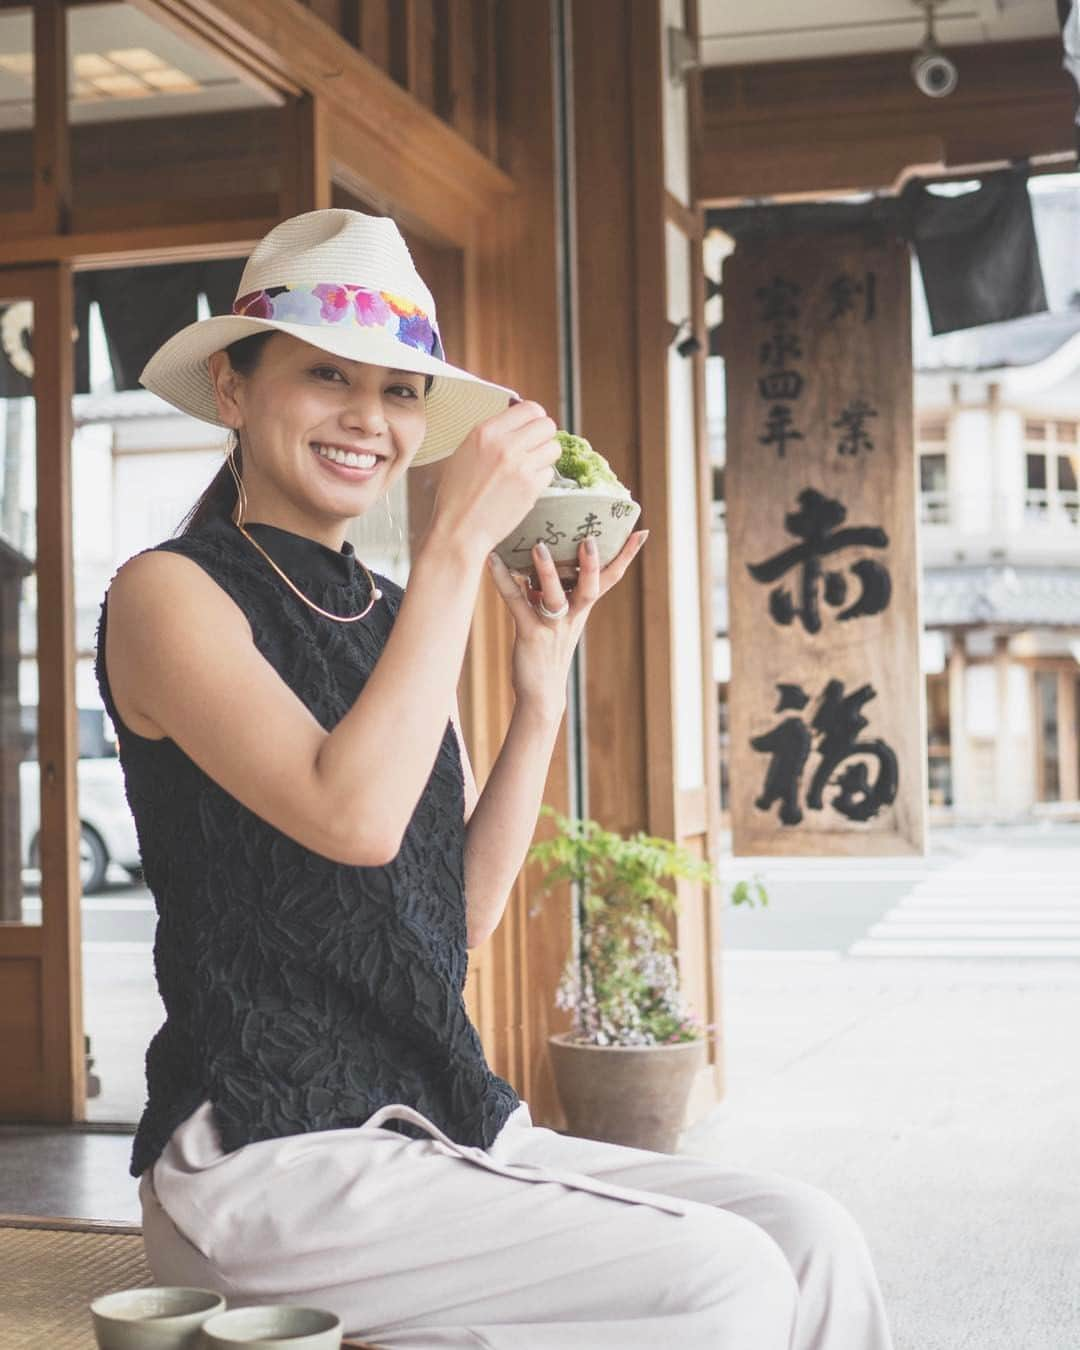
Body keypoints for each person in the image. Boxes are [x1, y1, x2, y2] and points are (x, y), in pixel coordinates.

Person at [95, 208, 894, 1349]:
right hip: (265, 1163)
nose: (370, 420)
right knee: (720, 1282)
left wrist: (541, 689)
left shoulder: (386, 616)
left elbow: (452, 915)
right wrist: (455, 549)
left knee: (813, 1236)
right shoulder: (167, 593)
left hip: (434, 1126)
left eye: (403, 392)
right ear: (234, 388)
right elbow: (353, 818)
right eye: (327, 376)